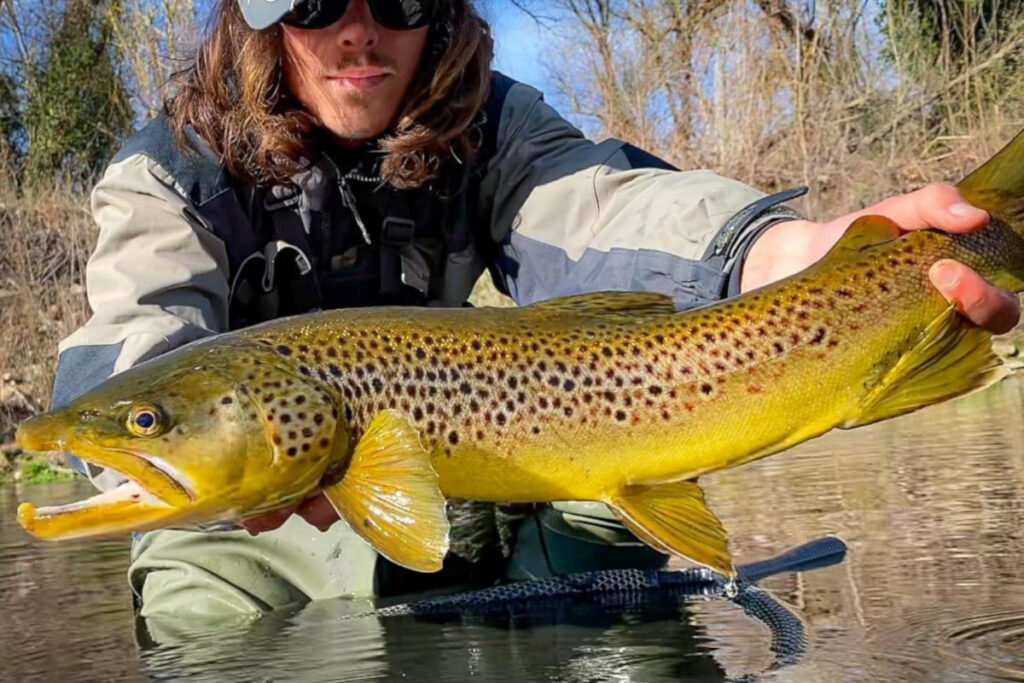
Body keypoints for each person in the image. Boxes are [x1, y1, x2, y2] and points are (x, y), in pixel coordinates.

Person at [52, 0, 1018, 621]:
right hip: (262, 516)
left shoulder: (492, 123)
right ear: (261, 21)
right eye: (316, 2)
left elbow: (599, 210)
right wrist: (155, 431)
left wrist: (782, 254)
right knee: (197, 561)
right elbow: (138, 342)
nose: (359, 32)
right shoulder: (165, 171)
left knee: (602, 519)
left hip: (499, 461)